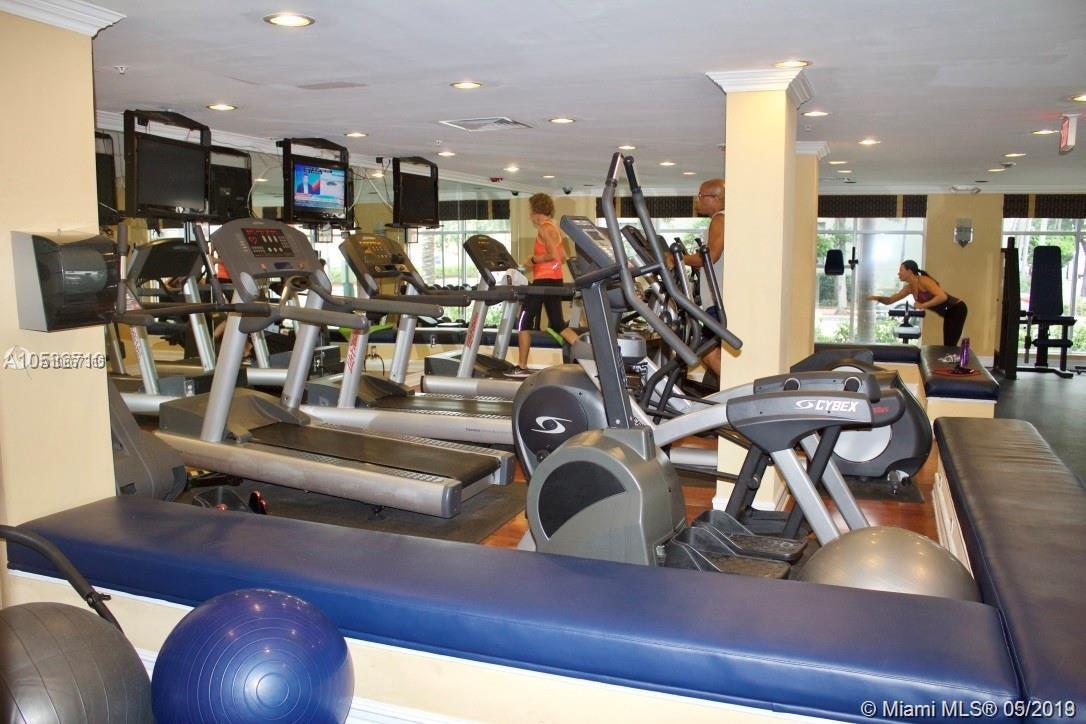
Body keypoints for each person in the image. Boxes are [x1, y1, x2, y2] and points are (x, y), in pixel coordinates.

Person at [506, 193, 579, 378]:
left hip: (543, 281)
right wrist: (535, 262)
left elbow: (554, 256)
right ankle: (589, 353)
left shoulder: (545, 228)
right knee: (558, 324)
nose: (529, 214)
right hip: (555, 279)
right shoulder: (554, 227)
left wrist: (533, 259)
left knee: (523, 322)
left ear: (535, 210)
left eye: (530, 210)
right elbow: (562, 257)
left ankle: (522, 366)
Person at [680, 178, 726, 378]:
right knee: (713, 352)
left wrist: (678, 259)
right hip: (718, 301)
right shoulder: (725, 219)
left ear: (716, 198)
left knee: (708, 352)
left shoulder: (720, 219)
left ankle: (735, 390)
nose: (697, 200)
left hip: (718, 303)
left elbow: (710, 256)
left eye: (701, 195)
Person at [868, 260, 968, 345]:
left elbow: (942, 297)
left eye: (901, 270)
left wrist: (922, 305)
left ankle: (956, 361)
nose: (898, 273)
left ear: (909, 271)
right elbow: (890, 300)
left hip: (957, 308)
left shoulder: (924, 280)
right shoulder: (909, 288)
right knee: (948, 345)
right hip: (948, 313)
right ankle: (950, 361)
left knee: (950, 345)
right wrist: (876, 298)